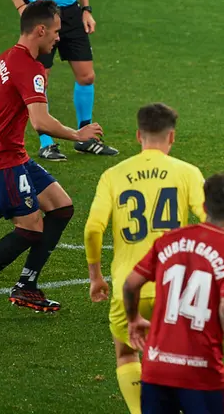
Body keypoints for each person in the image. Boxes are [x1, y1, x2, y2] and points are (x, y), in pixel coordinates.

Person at [0, 0, 103, 317]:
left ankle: (26, 286)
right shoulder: (30, 68)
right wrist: (78, 134)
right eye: (56, 32)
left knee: (61, 207)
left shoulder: (5, 58)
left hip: (8, 154)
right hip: (2, 161)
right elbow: (40, 122)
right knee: (30, 228)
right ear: (41, 30)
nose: (58, 38)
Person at [83, 103, 206, 414]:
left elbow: (92, 230)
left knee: (126, 354)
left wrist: (96, 276)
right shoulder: (187, 172)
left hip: (129, 287)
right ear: (172, 137)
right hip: (175, 284)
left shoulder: (113, 175)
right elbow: (211, 222)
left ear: (138, 135)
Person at [124, 173, 224, 414]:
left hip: (156, 368)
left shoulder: (169, 240)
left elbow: (131, 284)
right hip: (200, 372)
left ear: (204, 207)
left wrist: (133, 318)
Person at [2, 0, 118, 160]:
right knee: (40, 78)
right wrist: (20, 6)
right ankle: (46, 143)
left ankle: (85, 139)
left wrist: (86, 9)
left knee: (86, 76)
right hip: (41, 13)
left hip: (72, 12)